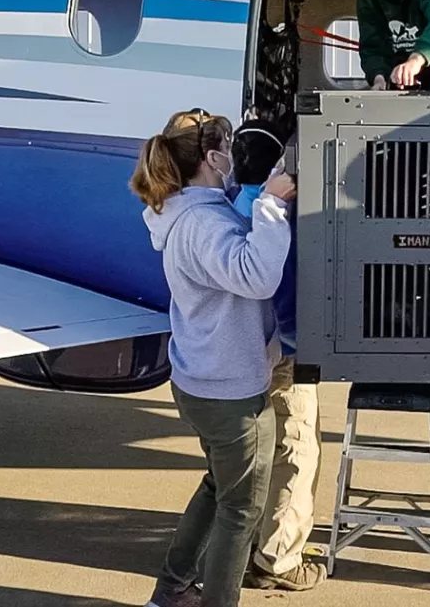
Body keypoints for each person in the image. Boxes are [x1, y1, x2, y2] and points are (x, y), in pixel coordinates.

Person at [130, 109, 296, 607]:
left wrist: (256, 197)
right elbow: (255, 275)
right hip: (228, 391)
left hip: (203, 379)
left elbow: (232, 246)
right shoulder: (201, 223)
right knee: (241, 508)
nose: (234, 153)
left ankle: (173, 588)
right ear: (209, 157)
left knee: (218, 486)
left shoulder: (190, 210)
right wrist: (269, 204)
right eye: (228, 145)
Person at [226, 119, 327, 592]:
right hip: (283, 352)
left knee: (250, 454)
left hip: (238, 353)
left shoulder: (224, 208)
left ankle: (240, 544)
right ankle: (278, 560)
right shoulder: (281, 216)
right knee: (295, 450)